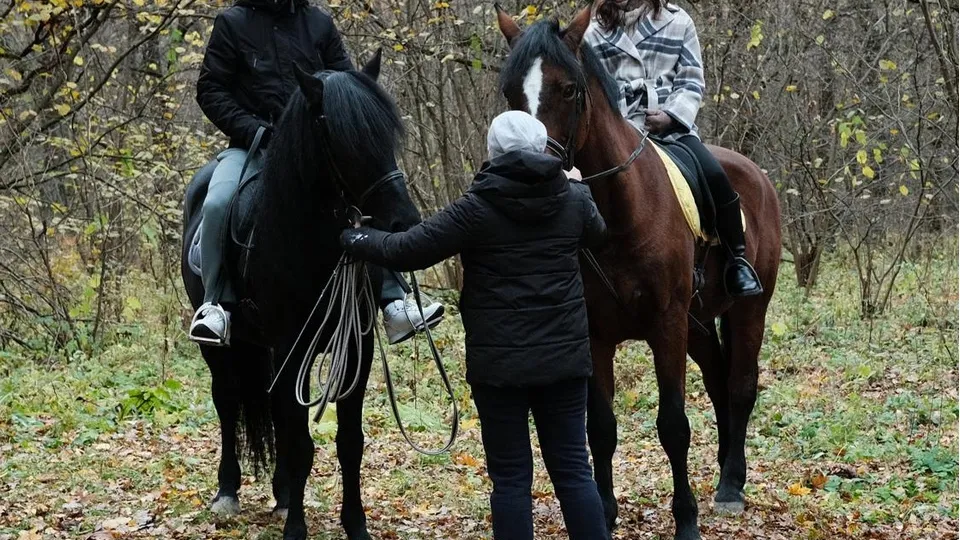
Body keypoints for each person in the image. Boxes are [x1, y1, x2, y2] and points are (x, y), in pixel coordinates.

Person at [340, 111, 610, 540]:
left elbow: (406, 250)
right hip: (565, 363)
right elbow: (598, 233)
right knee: (575, 470)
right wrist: (580, 187)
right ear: (544, 147)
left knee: (511, 478)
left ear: (493, 152)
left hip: (500, 369)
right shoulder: (573, 199)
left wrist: (354, 237)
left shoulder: (477, 207)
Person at [189, 0, 442, 345]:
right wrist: (253, 130)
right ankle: (217, 304)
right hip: (254, 147)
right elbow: (210, 89)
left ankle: (394, 299)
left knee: (367, 191)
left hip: (315, 149)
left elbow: (348, 85)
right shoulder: (232, 23)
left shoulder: (319, 22)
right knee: (218, 201)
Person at [585, 0, 763, 296]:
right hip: (617, 131)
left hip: (670, 130)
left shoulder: (679, 22)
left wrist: (670, 116)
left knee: (715, 175)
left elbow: (691, 81)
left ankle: (738, 259)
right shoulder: (593, 32)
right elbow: (593, 91)